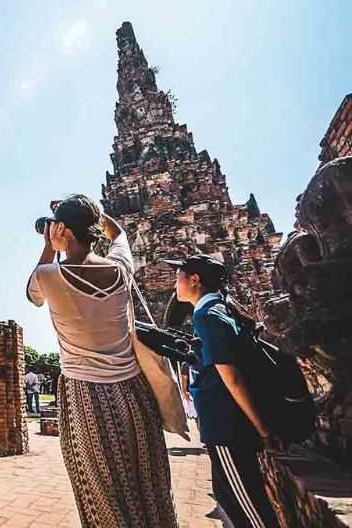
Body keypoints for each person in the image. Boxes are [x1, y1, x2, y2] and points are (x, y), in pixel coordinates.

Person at [27, 194, 177, 527]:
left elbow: (32, 294)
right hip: (135, 395)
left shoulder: (50, 276)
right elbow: (119, 235)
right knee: (150, 488)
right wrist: (95, 214)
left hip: (86, 399)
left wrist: (50, 243)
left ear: (61, 229)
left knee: (102, 494)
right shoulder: (121, 269)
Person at [169, 254, 280, 528]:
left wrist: (262, 428)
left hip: (228, 428)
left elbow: (232, 379)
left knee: (247, 509)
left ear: (195, 280)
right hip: (227, 425)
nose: (174, 283)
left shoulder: (207, 316)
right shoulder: (218, 310)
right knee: (231, 498)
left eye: (178, 276)